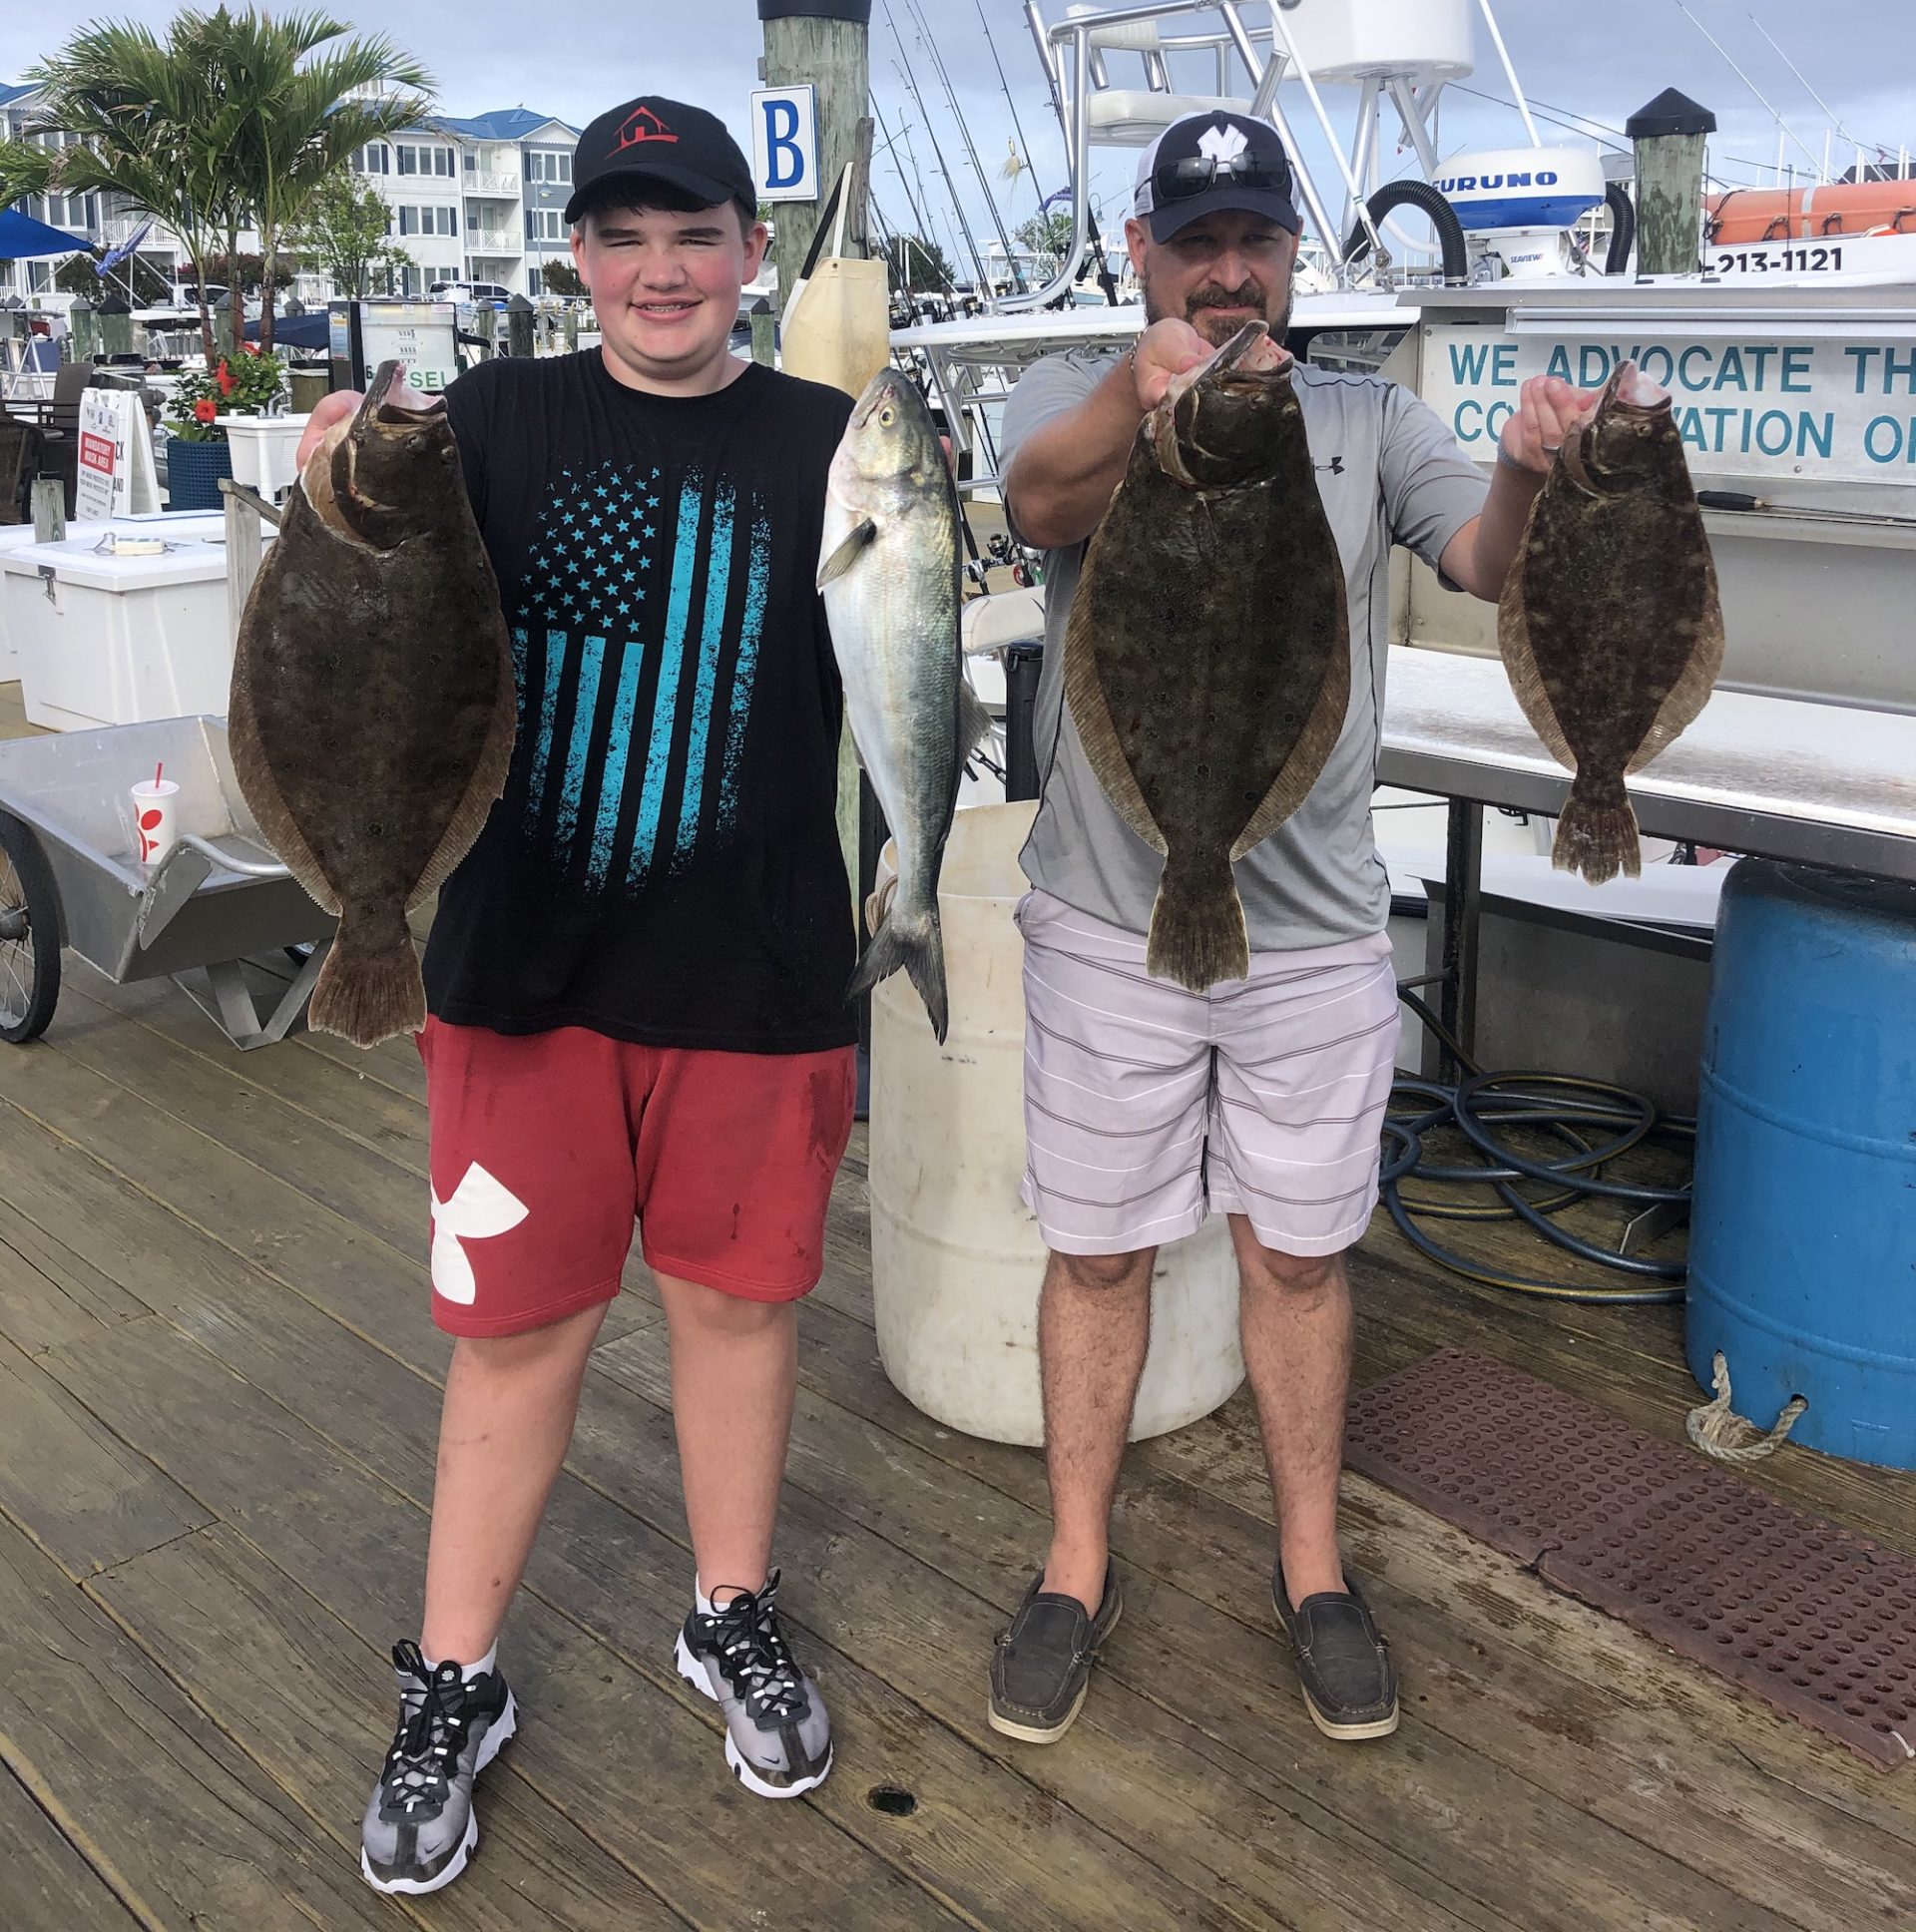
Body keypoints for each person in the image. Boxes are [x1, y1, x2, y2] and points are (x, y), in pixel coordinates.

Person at [306, 98, 858, 1897]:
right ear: (578, 262)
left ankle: (728, 1610)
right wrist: (325, 465)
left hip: (757, 969)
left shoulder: (839, 448)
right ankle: (451, 1677)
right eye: (623, 237)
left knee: (735, 1315)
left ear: (749, 254)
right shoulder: (485, 425)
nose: (660, 271)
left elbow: (952, 613)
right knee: (519, 1335)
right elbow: (357, 580)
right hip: (517, 966)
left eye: (693, 232)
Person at [987, 110, 1592, 1749]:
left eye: (1256, 235)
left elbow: (1478, 558)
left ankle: (1314, 1568)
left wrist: (1532, 471)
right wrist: (1145, 390)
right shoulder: (1079, 397)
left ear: (1292, 249)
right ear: (1145, 254)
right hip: (1115, 916)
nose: (1230, 267)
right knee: (1098, 1248)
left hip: (1313, 930)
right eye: (1198, 241)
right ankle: (1074, 1561)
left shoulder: (1365, 417)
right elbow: (1041, 506)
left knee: (1300, 1254)